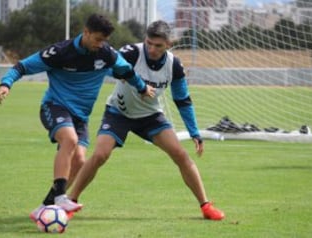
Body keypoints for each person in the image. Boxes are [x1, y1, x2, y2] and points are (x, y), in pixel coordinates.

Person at [0, 13, 154, 222]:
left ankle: (44, 207)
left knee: (79, 160)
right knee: (69, 140)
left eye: (105, 40)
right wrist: (6, 84)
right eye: (97, 39)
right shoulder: (60, 52)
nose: (101, 44)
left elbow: (127, 71)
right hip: (54, 106)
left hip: (81, 117)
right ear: (85, 32)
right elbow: (22, 66)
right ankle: (61, 196)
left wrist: (142, 88)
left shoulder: (106, 54)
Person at [68, 20, 225, 220]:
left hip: (150, 116)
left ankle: (206, 206)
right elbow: (105, 64)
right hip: (119, 112)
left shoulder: (174, 65)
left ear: (168, 44)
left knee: (180, 154)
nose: (151, 49)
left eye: (158, 45)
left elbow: (182, 100)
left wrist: (194, 132)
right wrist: (118, 72)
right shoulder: (132, 52)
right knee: (100, 155)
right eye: (149, 43)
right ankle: (70, 202)